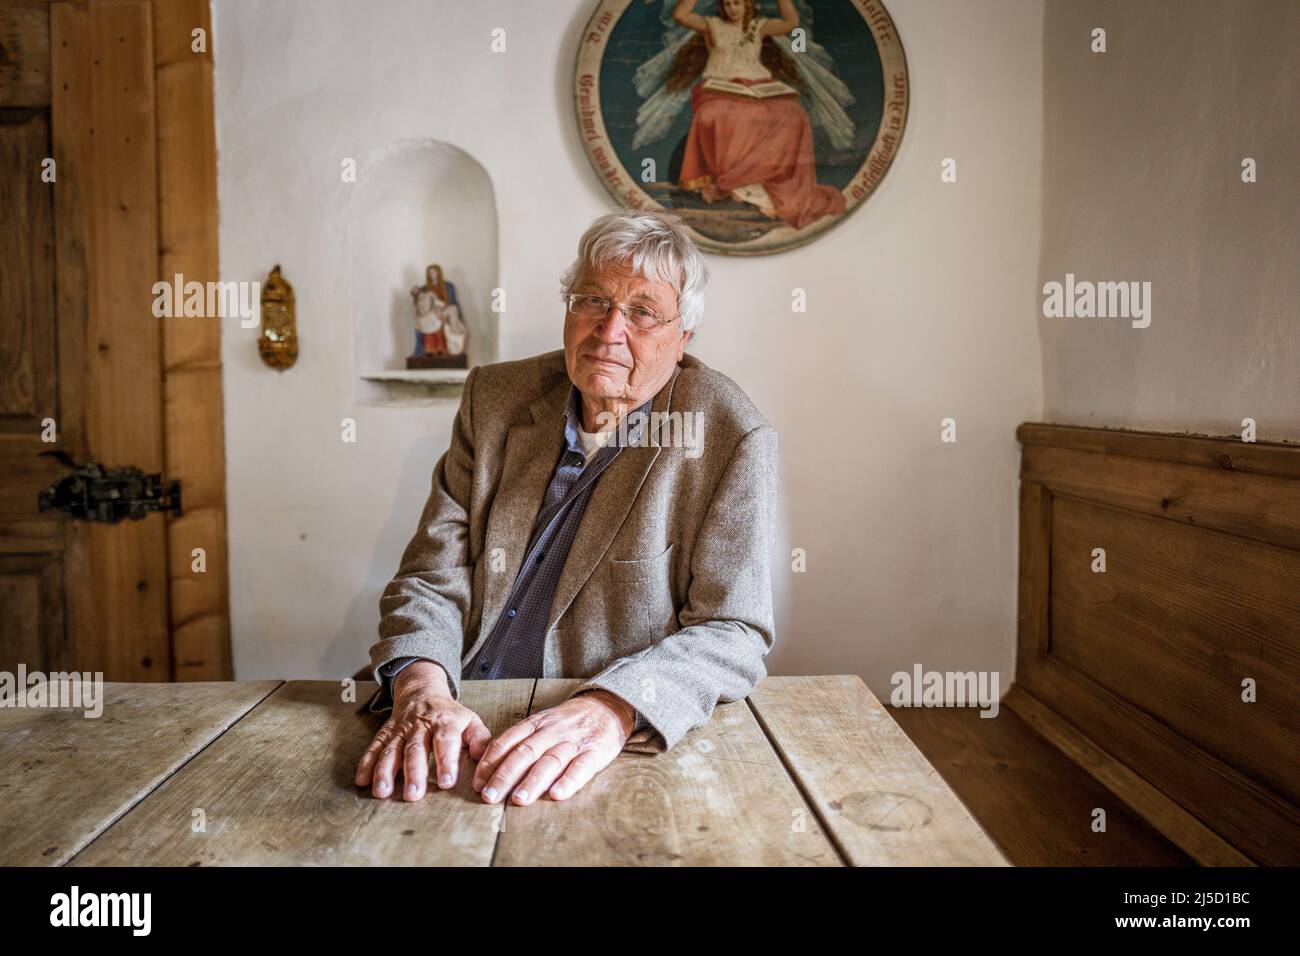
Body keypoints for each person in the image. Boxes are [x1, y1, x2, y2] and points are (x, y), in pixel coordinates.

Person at [354, 208, 780, 806]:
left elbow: (733, 629)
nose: (609, 332)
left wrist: (612, 709)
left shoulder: (729, 436)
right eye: (592, 301)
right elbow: (431, 577)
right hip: (455, 713)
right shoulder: (495, 399)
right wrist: (422, 688)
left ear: (682, 339)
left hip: (594, 739)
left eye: (643, 312)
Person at [672, 0, 847, 228]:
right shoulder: (712, 25)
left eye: (737, 3)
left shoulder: (758, 27)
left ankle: (761, 179)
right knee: (718, 114)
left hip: (758, 87)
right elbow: (681, 15)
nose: (732, 9)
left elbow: (791, 23)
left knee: (793, 113)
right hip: (720, 89)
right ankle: (737, 181)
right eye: (727, 4)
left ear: (747, 5)